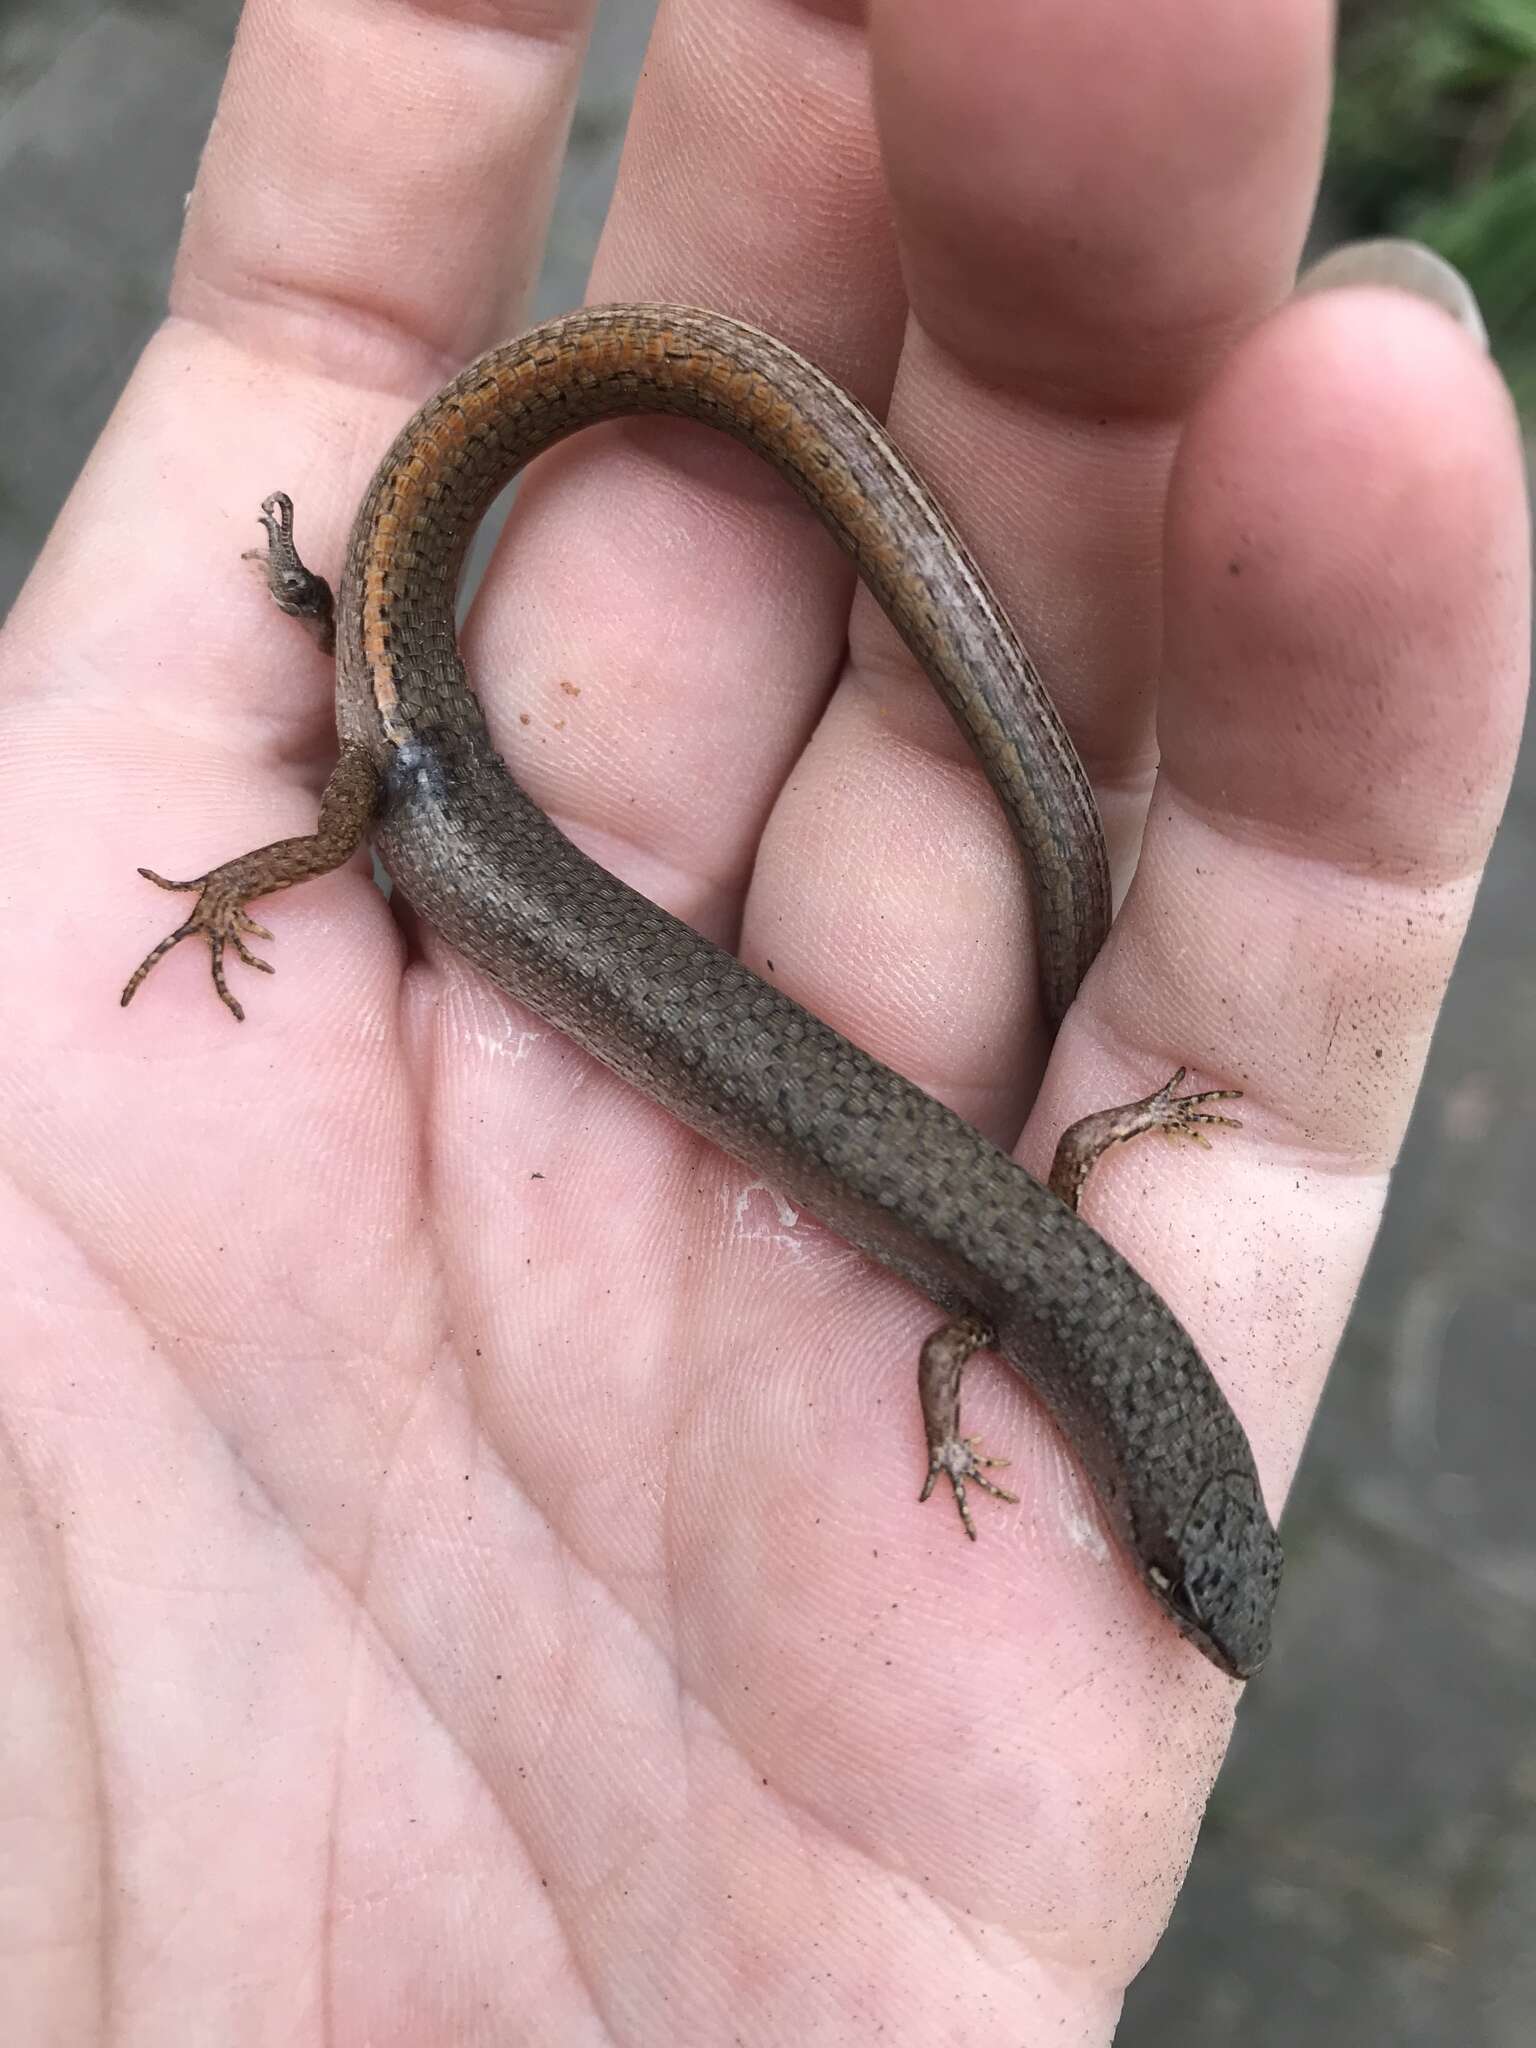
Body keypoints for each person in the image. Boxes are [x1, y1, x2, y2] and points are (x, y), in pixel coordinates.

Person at [1, 1, 1526, 2039]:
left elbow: (1059, 1190)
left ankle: (368, 616)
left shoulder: (1047, 1255)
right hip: (431, 802)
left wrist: (1126, 1141)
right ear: (1145, 1471)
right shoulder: (1017, 1292)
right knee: (378, 799)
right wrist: (243, 871)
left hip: (450, 763)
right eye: (1182, 1568)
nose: (1182, 1601)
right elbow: (977, 1323)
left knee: (414, 734)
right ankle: (341, 663)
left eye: (1193, 1569)